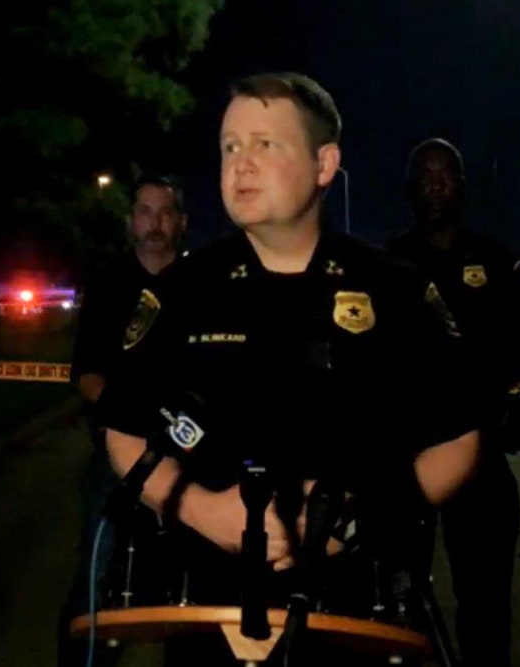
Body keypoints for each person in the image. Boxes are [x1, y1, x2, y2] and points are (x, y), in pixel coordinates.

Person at [96, 73, 481, 665]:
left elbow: (457, 440)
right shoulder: (183, 291)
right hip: (205, 604)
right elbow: (123, 428)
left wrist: (353, 523)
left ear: (325, 164)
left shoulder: (394, 288)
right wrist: (204, 510)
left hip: (357, 607)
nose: (241, 164)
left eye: (264, 144)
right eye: (229, 148)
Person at [387, 138, 520, 667]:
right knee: (395, 605)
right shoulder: (386, 264)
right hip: (405, 462)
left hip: (480, 459)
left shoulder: (497, 262)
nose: (435, 187)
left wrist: (473, 388)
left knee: (486, 606)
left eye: (446, 176)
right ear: (410, 188)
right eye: (424, 177)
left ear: (462, 185)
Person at [58, 175, 187, 666]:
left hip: (184, 455)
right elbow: (86, 371)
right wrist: (123, 420)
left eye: (166, 212)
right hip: (117, 450)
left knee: (192, 580)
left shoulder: (200, 285)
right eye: (145, 212)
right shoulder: (109, 282)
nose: (155, 223)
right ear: (131, 221)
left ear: (181, 222)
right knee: (96, 567)